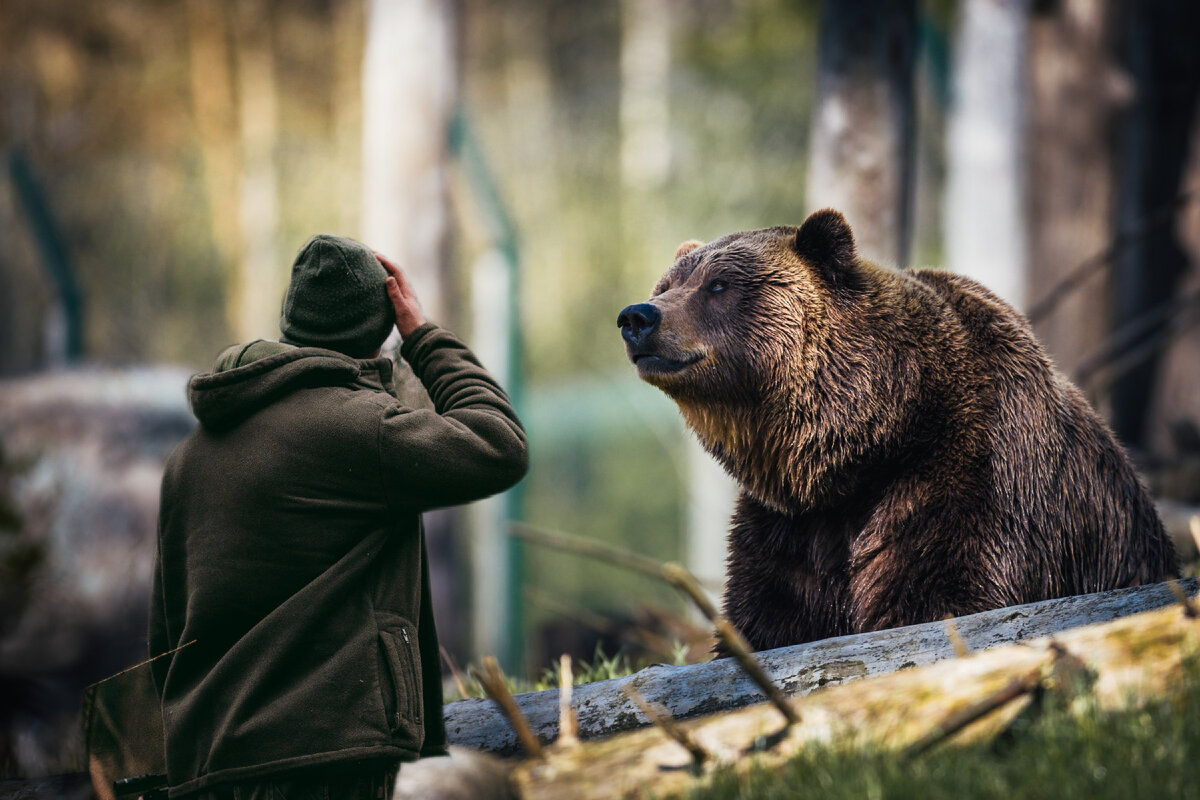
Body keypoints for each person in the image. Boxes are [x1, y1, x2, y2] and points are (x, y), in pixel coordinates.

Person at [149, 234, 527, 799]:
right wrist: (423, 337)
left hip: (207, 761)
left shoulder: (189, 457)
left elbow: (166, 628)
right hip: (322, 756)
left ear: (290, 324)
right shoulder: (359, 430)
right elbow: (498, 444)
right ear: (378, 330)